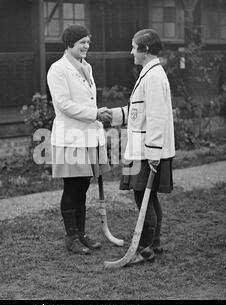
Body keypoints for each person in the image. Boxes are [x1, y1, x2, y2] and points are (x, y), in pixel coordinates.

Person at [109, 29, 175, 264]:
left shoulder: (154, 77)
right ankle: (153, 244)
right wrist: (113, 115)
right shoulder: (149, 74)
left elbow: (156, 117)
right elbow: (139, 113)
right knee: (149, 198)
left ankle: (145, 248)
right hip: (143, 148)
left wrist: (154, 152)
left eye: (134, 46)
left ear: (144, 50)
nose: (131, 51)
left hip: (148, 151)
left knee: (143, 197)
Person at [47, 25, 112, 255]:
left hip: (87, 135)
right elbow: (63, 104)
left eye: (88, 41)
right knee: (72, 187)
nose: (86, 46)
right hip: (70, 136)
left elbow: (87, 101)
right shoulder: (58, 69)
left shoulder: (87, 67)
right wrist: (94, 114)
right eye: (82, 42)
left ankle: (81, 233)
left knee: (83, 185)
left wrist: (97, 112)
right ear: (69, 44)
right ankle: (71, 237)